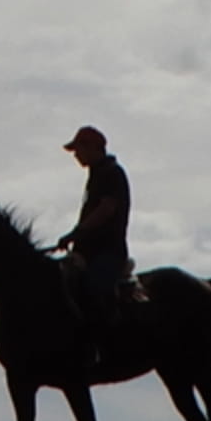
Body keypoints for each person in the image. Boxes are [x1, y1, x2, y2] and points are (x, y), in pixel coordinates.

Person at [55, 126, 134, 362]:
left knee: (93, 289)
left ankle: (107, 344)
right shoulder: (97, 175)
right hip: (88, 252)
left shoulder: (112, 173)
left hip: (108, 252)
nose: (76, 155)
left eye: (78, 149)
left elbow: (107, 209)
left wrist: (76, 232)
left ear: (92, 148)